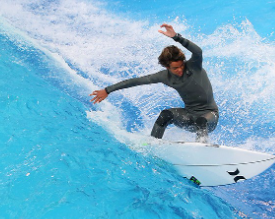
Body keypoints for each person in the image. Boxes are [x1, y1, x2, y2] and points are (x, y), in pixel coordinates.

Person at [90, 24, 218, 142]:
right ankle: (152, 145)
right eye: (175, 68)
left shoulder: (194, 66)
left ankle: (202, 147)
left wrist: (176, 37)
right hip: (189, 117)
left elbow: (198, 51)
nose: (179, 70)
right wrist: (107, 90)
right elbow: (135, 81)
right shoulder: (165, 77)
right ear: (167, 67)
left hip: (209, 117)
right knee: (165, 115)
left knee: (201, 121)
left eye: (181, 66)